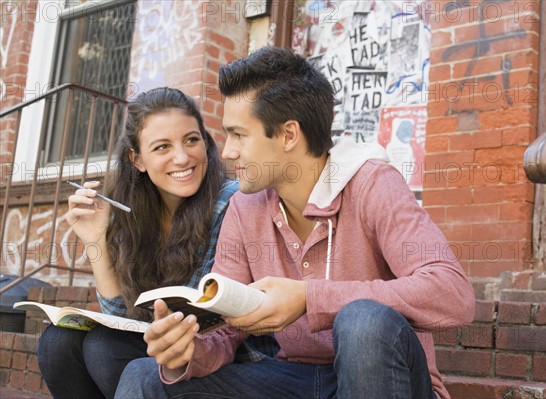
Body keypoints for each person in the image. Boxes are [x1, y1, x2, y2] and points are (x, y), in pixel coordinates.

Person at [115, 47, 475, 399]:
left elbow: (452, 294)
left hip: (388, 377)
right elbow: (225, 332)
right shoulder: (245, 206)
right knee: (144, 376)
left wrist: (310, 298)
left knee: (363, 323)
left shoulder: (373, 184)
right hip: (295, 378)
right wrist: (186, 350)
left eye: (239, 135)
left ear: (288, 134)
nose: (226, 152)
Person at [37, 87, 277, 399]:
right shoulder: (132, 213)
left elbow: (199, 318)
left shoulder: (231, 201)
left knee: (104, 348)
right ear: (136, 160)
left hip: (220, 353)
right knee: (57, 341)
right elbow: (120, 314)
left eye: (192, 140)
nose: (182, 157)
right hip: (158, 340)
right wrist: (95, 239)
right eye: (162, 147)